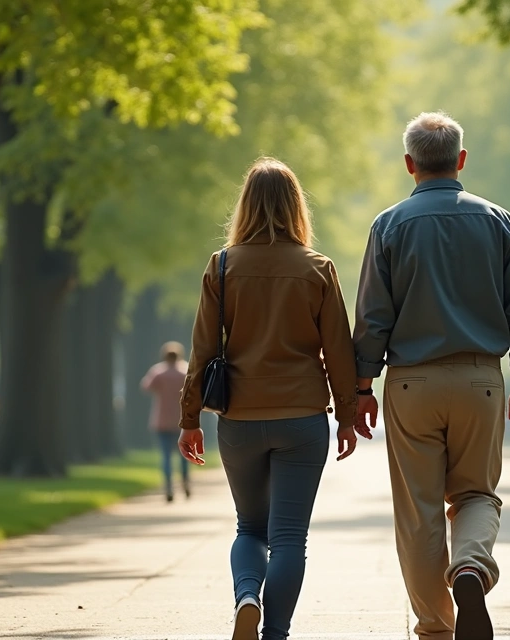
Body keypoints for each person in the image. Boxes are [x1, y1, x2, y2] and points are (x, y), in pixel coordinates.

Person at [353, 112, 510, 640]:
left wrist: (361, 386)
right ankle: (471, 567)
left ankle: (435, 628)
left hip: (411, 382)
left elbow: (372, 316)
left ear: (409, 164)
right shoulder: (498, 221)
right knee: (477, 495)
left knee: (419, 512)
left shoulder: (389, 225)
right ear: (461, 160)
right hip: (481, 379)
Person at [178, 158, 362, 640]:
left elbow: (202, 350)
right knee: (288, 539)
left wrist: (189, 417)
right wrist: (346, 414)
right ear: (297, 207)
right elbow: (338, 350)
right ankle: (275, 633)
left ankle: (246, 598)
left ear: (245, 207)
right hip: (302, 419)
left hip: (239, 418)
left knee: (249, 528)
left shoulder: (222, 266)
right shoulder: (318, 269)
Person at [141, 341, 191, 502]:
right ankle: (185, 482)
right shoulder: (186, 371)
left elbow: (146, 387)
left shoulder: (158, 372)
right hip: (183, 420)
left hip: (162, 420)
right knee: (185, 455)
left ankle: (169, 487)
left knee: (166, 456)